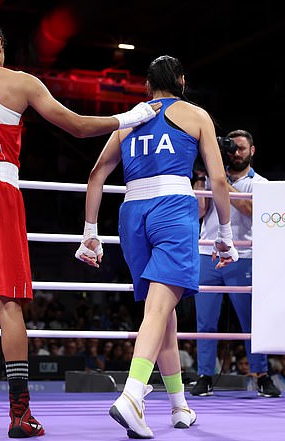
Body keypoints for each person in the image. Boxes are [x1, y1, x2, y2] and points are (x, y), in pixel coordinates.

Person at [0, 17, 160, 438]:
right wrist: (129, 117)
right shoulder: (20, 82)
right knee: (7, 301)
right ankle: (20, 414)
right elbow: (76, 125)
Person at [75, 55, 238, 439]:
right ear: (181, 80)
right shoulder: (196, 115)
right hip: (172, 210)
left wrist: (89, 232)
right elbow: (217, 178)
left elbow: (96, 173)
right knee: (160, 308)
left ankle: (179, 405)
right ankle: (132, 395)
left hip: (132, 215)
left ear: (148, 87)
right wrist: (226, 236)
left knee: (162, 313)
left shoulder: (131, 118)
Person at [190, 129, 281, 399]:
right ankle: (205, 375)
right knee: (205, 322)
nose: (236, 153)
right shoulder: (209, 180)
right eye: (232, 149)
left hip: (244, 257)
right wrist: (202, 177)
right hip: (208, 253)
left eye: (242, 148)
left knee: (250, 321)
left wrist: (221, 182)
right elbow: (198, 212)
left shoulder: (260, 183)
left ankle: (262, 376)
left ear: (252, 151)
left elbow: (251, 212)